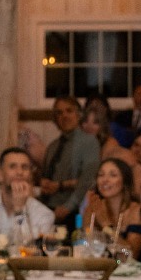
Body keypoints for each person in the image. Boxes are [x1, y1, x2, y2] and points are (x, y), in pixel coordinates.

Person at [0, 147, 56, 245]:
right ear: (0, 174)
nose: (19, 172)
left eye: (25, 167)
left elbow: (29, 250)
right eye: (12, 166)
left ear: (31, 175)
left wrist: (20, 209)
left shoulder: (44, 214)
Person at [40, 96, 100, 225]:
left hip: (74, 211)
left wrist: (68, 206)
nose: (64, 116)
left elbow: (88, 180)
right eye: (59, 113)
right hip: (47, 209)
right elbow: (45, 175)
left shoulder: (89, 142)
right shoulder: (53, 146)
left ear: (78, 114)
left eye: (69, 111)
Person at [82, 155, 141, 256]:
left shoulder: (136, 210)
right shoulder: (95, 206)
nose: (105, 180)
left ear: (125, 181)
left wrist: (105, 224)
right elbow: (86, 246)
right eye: (101, 175)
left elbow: (131, 254)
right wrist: (89, 216)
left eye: (113, 175)